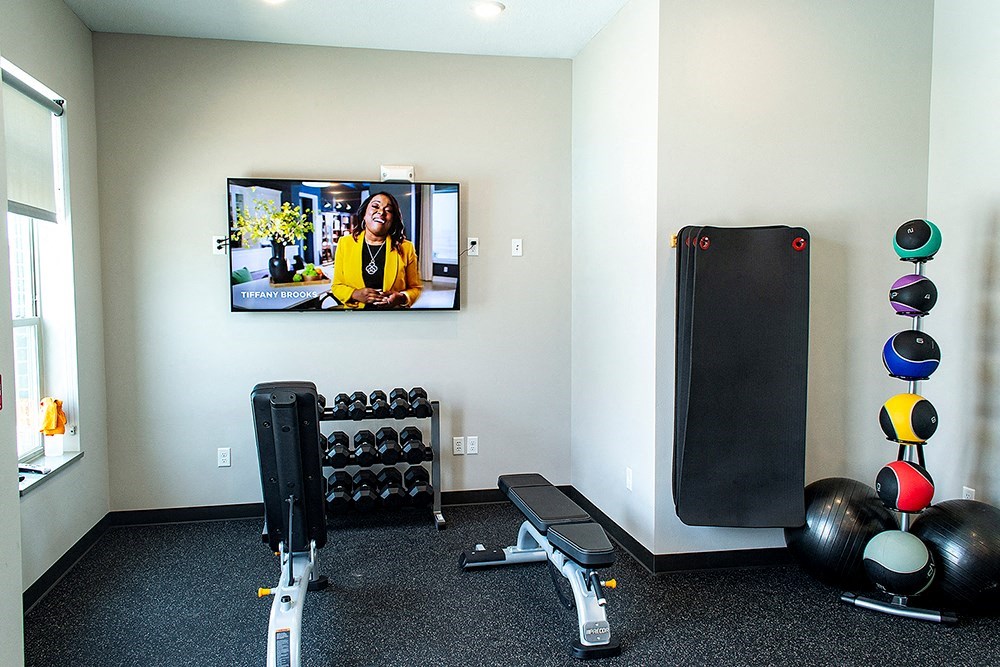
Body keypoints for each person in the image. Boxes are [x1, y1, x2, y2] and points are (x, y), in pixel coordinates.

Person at [330, 191, 421, 308]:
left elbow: (416, 288)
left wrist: (402, 297)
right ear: (364, 214)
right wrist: (354, 294)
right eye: (375, 206)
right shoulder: (345, 243)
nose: (381, 212)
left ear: (393, 219)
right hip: (355, 317)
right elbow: (337, 286)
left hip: (393, 317)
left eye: (388, 210)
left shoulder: (406, 248)